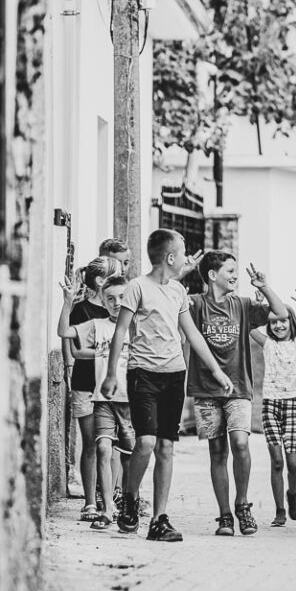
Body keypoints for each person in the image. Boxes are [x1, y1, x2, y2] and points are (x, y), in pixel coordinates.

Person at [101, 229, 234, 542]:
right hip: (143, 373)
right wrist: (110, 374)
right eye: (183, 252)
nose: (187, 258)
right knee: (145, 443)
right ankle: (130, 498)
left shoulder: (178, 290)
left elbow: (192, 334)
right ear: (170, 257)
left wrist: (216, 370)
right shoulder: (137, 288)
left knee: (166, 447)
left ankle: (159, 519)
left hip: (174, 374)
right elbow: (121, 332)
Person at [188, 252, 288, 537]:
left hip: (239, 388)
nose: (235, 275)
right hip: (206, 390)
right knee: (217, 452)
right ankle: (224, 516)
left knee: (240, 443)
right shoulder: (195, 304)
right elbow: (170, 302)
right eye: (230, 270)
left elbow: (280, 313)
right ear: (211, 275)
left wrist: (264, 287)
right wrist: (183, 272)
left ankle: (242, 504)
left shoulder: (243, 305)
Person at [57, 272, 135, 530]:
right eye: (110, 298)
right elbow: (64, 331)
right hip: (103, 398)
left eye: (122, 297)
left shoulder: (139, 326)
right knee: (102, 448)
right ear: (102, 300)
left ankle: (128, 502)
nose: (116, 302)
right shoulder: (97, 325)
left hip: (131, 400)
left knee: (129, 455)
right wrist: (68, 301)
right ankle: (107, 510)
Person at [251, 302, 296, 527]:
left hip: (293, 406)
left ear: (292, 322)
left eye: (283, 320)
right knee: (277, 462)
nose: (278, 325)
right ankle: (280, 509)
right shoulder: (267, 343)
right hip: (270, 405)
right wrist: (260, 305)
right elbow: (247, 325)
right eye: (273, 321)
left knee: (294, 464)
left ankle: (292, 492)